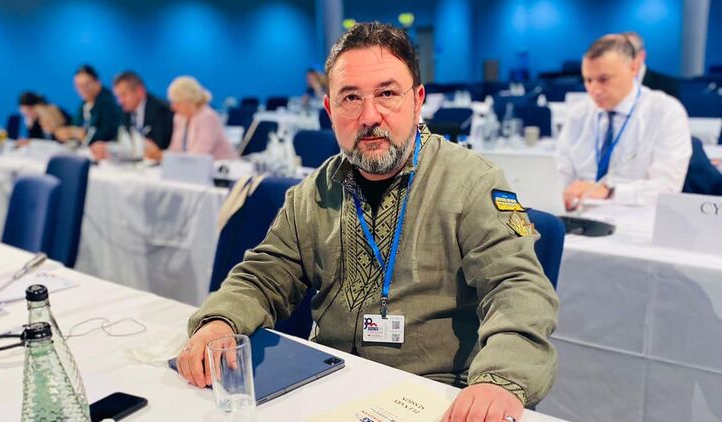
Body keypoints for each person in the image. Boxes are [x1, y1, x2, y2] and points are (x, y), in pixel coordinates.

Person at [177, 22, 558, 422]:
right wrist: (221, 321)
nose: (369, 116)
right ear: (330, 110)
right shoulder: (314, 191)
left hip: (435, 395)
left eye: (387, 94)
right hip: (329, 385)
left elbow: (517, 287)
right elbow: (265, 274)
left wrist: (499, 380)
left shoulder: (471, 182)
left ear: (418, 101)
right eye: (351, 98)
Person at [557, 34, 691, 210]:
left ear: (634, 68)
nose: (594, 90)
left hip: (639, 218)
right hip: (580, 216)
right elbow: (560, 176)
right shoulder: (579, 114)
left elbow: (667, 188)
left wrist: (610, 192)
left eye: (604, 79)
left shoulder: (666, 112)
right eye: (588, 80)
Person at [91, 71, 174, 161]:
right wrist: (108, 148)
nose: (120, 101)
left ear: (140, 91)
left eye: (123, 95)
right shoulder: (126, 111)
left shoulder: (161, 110)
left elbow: (157, 147)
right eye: (118, 96)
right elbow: (123, 140)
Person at [164, 76, 237, 160]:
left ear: (189, 101)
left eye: (177, 103)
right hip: (194, 165)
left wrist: (163, 157)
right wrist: (163, 157)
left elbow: (200, 153)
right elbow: (175, 149)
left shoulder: (207, 117)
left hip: (222, 165)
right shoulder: (180, 118)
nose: (173, 107)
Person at [54, 64, 121, 145]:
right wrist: (67, 132)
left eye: (86, 84)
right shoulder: (84, 104)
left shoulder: (108, 103)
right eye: (78, 86)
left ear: (98, 82)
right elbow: (75, 125)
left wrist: (78, 133)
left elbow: (108, 134)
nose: (82, 89)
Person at [624, 31, 681, 100]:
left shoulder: (668, 86)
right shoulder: (614, 82)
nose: (622, 58)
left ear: (642, 55)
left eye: (628, 53)